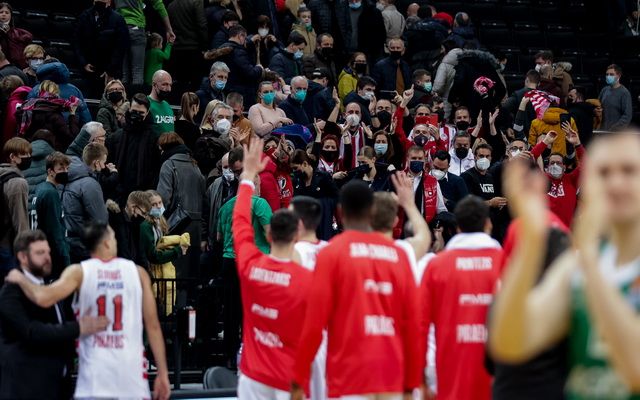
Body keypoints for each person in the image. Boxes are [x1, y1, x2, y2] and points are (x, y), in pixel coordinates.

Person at [489, 130, 640, 399]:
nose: (615, 183)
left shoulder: (586, 266)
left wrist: (590, 265)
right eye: (604, 173)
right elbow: (511, 343)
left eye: (629, 171)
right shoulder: (577, 267)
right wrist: (531, 244)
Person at [6, 221, 171, 400]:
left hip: (95, 378)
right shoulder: (138, 273)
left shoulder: (79, 272)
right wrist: (163, 373)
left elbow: (43, 298)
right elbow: (153, 326)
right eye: (114, 238)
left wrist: (20, 279)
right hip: (131, 378)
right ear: (107, 243)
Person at [291, 179, 422, 399]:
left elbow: (314, 324)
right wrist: (411, 383)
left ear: (340, 212)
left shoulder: (331, 253)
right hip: (392, 374)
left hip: (349, 376)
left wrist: (298, 378)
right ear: (372, 211)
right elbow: (413, 323)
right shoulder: (399, 254)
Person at [230, 137, 313, 398]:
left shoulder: (250, 264)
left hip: (252, 376)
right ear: (297, 236)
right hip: (287, 378)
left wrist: (247, 177)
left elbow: (240, 221)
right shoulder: (306, 280)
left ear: (268, 235)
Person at [0, 229, 109, 400]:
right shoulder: (11, 292)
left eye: (48, 252)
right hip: (26, 389)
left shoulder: (48, 288)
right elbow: (31, 332)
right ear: (22, 257)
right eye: (40, 253)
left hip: (56, 386)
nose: (47, 258)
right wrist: (79, 327)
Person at [421, 195, 503, 400]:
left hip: (450, 377)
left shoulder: (436, 266)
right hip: (499, 380)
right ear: (488, 224)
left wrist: (419, 380)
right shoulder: (506, 264)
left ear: (457, 227)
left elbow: (420, 325)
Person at [217, 166, 272, 369]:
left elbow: (219, 237)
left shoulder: (226, 206)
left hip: (229, 261)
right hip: (254, 261)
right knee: (255, 310)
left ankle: (230, 357)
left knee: (231, 312)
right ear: (254, 184)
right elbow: (270, 234)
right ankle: (253, 356)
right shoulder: (260, 203)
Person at [156, 133, 205, 301]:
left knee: (174, 274)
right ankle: (190, 313)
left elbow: (163, 198)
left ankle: (174, 313)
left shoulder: (168, 165)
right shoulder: (195, 165)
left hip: (176, 225)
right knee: (191, 276)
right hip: (195, 228)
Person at [290, 195, 328, 400]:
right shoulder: (330, 249)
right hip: (331, 339)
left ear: (299, 223)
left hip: (304, 338)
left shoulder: (293, 252)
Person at [372, 172, 432, 283]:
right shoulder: (403, 251)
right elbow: (424, 237)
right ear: (395, 221)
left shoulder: (350, 250)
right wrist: (409, 204)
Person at [139, 189, 188, 314]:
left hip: (161, 272)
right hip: (151, 273)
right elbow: (153, 255)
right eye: (154, 204)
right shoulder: (145, 226)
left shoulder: (160, 222)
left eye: (160, 203)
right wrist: (177, 251)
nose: (158, 206)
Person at [63, 142, 109, 263]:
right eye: (103, 162)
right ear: (96, 162)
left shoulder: (69, 178)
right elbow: (100, 219)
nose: (104, 166)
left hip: (68, 241)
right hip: (85, 245)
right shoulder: (90, 184)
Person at [531, 126, 584, 227]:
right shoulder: (541, 179)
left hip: (565, 232)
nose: (555, 165)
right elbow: (529, 160)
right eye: (552, 163)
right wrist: (545, 142)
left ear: (564, 167)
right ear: (547, 167)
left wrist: (577, 144)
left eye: (558, 163)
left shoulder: (571, 179)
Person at [116, 0, 175, 88]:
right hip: (136, 27)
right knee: (137, 71)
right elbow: (158, 4)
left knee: (124, 73)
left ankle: (123, 96)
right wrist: (169, 29)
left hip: (120, 28)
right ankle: (137, 96)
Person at [112, 93, 161, 199]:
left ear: (147, 112)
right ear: (129, 109)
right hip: (120, 191)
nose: (137, 115)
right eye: (134, 111)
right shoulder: (118, 135)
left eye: (141, 112)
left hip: (144, 193)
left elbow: (157, 167)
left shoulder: (154, 136)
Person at [74, 0, 129, 93]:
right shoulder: (84, 16)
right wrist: (84, 63)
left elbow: (121, 47)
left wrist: (110, 70)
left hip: (110, 72)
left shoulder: (118, 19)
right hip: (88, 70)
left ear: (109, 2)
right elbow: (77, 41)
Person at [33, 152, 71, 279]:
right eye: (61, 169)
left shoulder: (40, 188)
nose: (65, 172)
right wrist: (65, 258)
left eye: (67, 168)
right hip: (52, 255)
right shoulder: (50, 193)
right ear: (50, 171)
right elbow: (55, 230)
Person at [201, 148, 243, 260]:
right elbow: (205, 212)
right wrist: (204, 238)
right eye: (225, 167)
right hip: (216, 241)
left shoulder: (243, 183)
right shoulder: (215, 185)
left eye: (231, 167)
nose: (229, 170)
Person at [290, 149, 339, 240]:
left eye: (296, 168)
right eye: (292, 169)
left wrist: (321, 204)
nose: (294, 172)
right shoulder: (296, 181)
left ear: (305, 164)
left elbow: (336, 197)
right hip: (304, 225)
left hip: (323, 222)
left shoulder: (323, 177)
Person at [18, 80, 80, 151]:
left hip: (31, 150)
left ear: (40, 92)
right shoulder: (55, 115)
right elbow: (71, 137)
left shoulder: (27, 109)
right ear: (56, 93)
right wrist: (72, 115)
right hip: (51, 152)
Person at [28, 60, 92, 126]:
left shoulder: (36, 90)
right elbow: (84, 114)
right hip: (71, 128)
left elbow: (28, 113)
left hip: (44, 129)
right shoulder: (74, 90)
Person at [0, 137, 31, 276]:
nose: (28, 157)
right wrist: (26, 251)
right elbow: (21, 219)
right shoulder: (18, 183)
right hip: (7, 246)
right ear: (12, 157)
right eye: (24, 154)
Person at [218, 25, 265, 106]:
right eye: (244, 37)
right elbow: (250, 73)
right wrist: (259, 68)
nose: (245, 41)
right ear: (240, 36)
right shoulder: (238, 52)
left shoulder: (221, 50)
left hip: (227, 90)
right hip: (241, 93)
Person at [166, 0, 208, 90]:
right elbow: (202, 25)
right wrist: (204, 46)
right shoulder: (196, 2)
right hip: (194, 48)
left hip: (177, 49)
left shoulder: (171, 5)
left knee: (181, 83)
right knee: (195, 84)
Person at [599, 64, 633, 131]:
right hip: (602, 131)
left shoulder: (624, 93)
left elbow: (627, 116)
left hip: (615, 133)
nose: (608, 76)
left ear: (619, 76)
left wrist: (614, 129)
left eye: (611, 74)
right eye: (607, 74)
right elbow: (598, 106)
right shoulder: (604, 90)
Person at [0, 2, 32, 68]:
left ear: (11, 16)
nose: (4, 14)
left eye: (7, 13)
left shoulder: (18, 33)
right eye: (1, 12)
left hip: (15, 66)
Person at [147, 70, 175, 139]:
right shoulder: (145, 104)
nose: (169, 89)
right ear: (154, 85)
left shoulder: (167, 105)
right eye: (164, 84)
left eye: (170, 85)